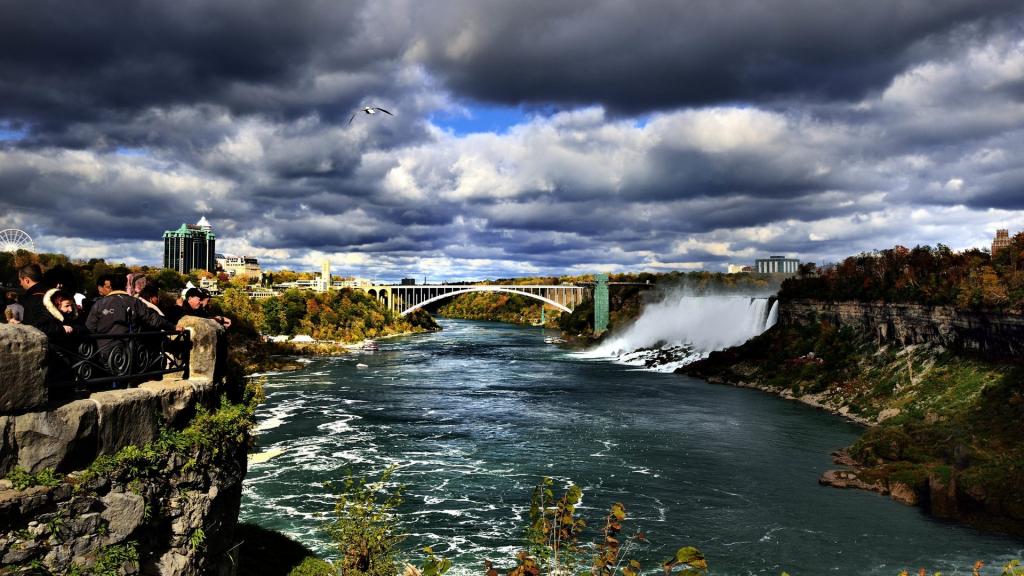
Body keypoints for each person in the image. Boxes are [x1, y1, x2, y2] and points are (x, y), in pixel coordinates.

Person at [85, 273, 176, 374]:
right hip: (130, 353)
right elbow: (153, 319)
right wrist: (173, 326)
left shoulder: (99, 304)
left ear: (111, 286)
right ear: (125, 285)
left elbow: (90, 327)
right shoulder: (135, 302)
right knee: (129, 381)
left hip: (105, 352)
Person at [18, 264, 71, 338]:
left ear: (26, 280)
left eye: (20, 280)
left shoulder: (36, 297)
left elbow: (38, 327)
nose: (20, 284)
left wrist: (60, 329)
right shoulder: (50, 292)